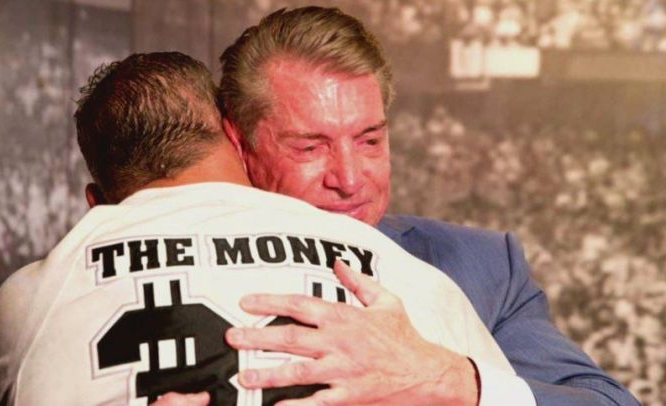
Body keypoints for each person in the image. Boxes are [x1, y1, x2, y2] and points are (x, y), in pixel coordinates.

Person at [0, 52, 514, 405]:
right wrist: (452, 382)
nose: (345, 178)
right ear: (235, 139)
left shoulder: (37, 290)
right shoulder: (380, 261)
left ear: (95, 202)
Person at [217, 6, 638, 406]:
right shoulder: (174, 263)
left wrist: (446, 381)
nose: (348, 179)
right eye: (311, 147)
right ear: (239, 144)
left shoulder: (483, 269)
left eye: (369, 141)